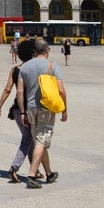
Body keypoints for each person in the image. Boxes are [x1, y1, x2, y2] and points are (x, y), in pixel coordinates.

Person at [16, 39, 67, 189]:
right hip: (46, 108)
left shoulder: (25, 66)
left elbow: (19, 92)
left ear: (34, 51)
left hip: (30, 108)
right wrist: (64, 110)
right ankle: (32, 175)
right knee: (41, 141)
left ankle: (49, 173)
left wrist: (23, 112)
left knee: (39, 140)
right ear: (48, 50)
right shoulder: (52, 66)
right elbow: (61, 90)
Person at [0, 39, 39, 183]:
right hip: (28, 110)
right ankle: (14, 168)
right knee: (28, 139)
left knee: (31, 140)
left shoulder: (15, 69)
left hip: (16, 110)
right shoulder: (35, 69)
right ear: (33, 53)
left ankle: (35, 169)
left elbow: (7, 89)